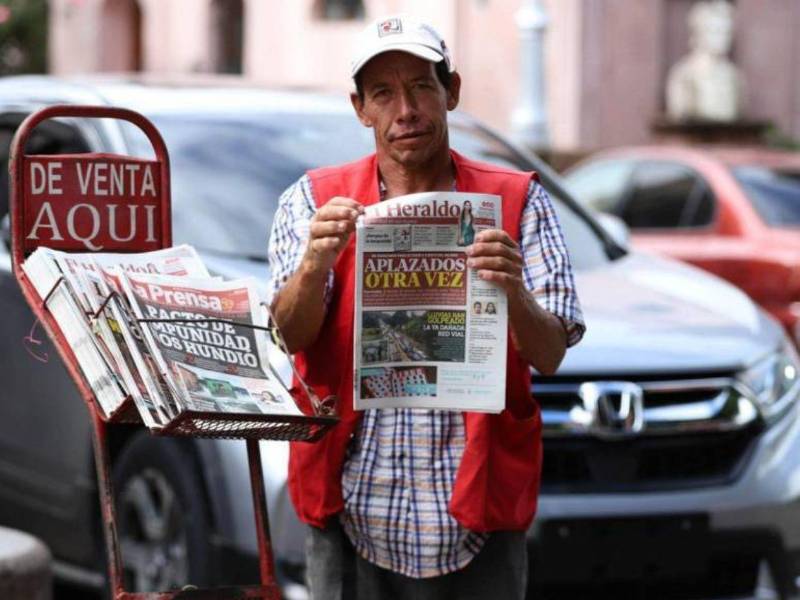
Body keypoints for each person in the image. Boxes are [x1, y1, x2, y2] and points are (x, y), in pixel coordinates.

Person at [267, 14, 584, 600]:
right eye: (383, 93)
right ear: (360, 108)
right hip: (351, 507)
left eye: (420, 87)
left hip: (480, 512)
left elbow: (551, 354)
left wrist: (512, 289)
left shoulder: (517, 200)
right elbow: (288, 336)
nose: (404, 111)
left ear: (452, 92)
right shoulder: (312, 202)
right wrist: (315, 263)